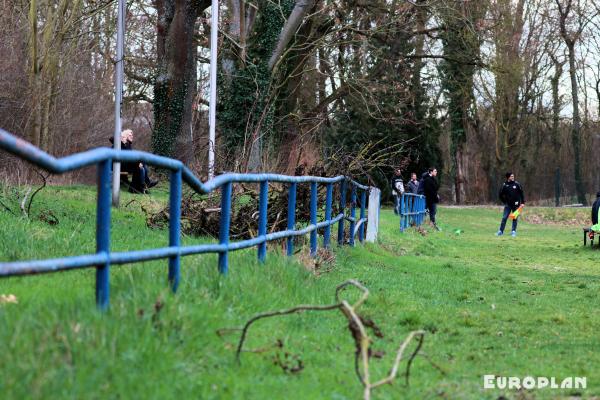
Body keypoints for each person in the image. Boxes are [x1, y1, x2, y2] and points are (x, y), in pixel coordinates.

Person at [496, 172, 525, 237]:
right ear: (508, 177)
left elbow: (521, 194)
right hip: (508, 205)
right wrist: (504, 202)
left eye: (513, 176)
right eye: (511, 176)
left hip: (516, 205)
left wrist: (522, 203)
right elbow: (500, 195)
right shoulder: (504, 185)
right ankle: (500, 231)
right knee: (504, 217)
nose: (513, 177)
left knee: (515, 217)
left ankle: (513, 231)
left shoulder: (517, 184)